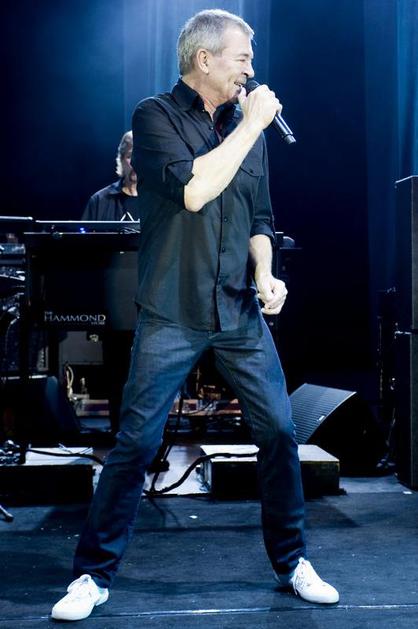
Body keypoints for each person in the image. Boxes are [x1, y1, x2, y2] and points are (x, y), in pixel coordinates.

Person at [52, 9, 339, 622]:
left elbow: (259, 218)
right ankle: (92, 575)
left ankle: (293, 562)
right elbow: (193, 190)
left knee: (280, 433)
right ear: (204, 60)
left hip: (238, 311)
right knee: (136, 441)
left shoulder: (246, 127)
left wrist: (266, 273)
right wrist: (252, 125)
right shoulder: (154, 116)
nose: (251, 70)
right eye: (242, 58)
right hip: (172, 310)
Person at [81, 130, 140, 222]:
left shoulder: (159, 201)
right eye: (130, 156)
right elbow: (85, 231)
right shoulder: (99, 201)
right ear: (121, 159)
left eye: (141, 156)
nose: (135, 162)